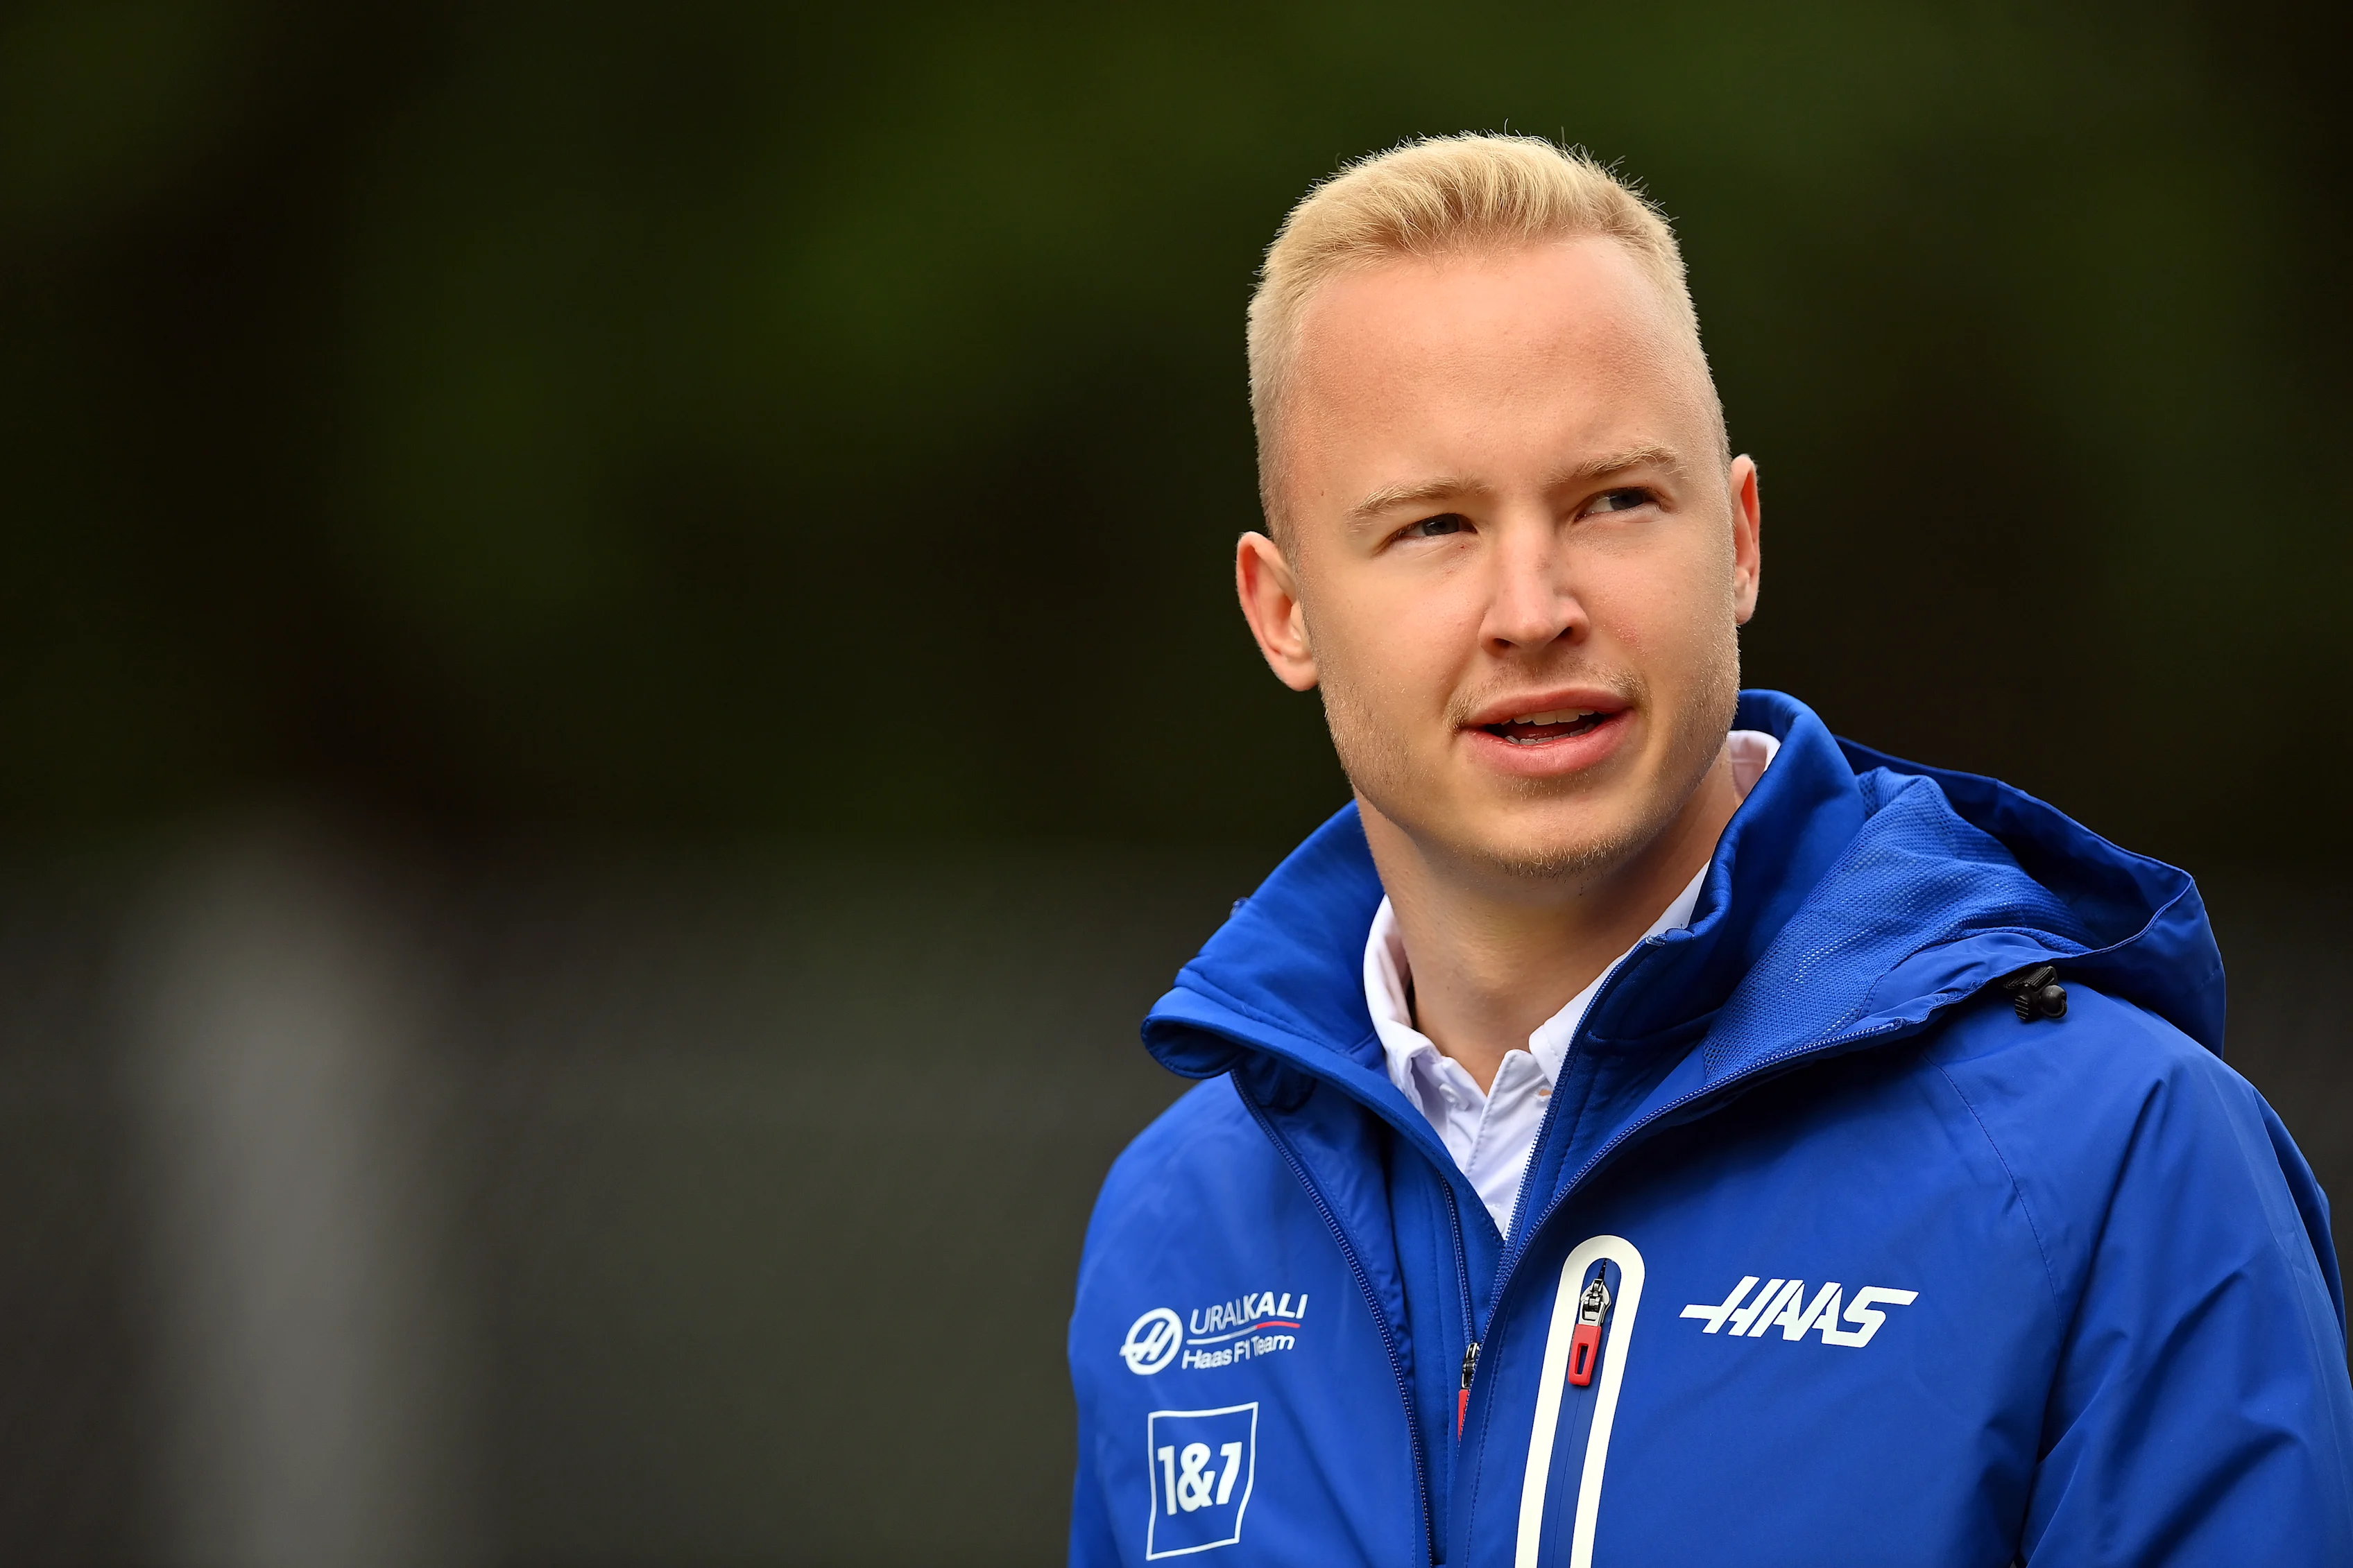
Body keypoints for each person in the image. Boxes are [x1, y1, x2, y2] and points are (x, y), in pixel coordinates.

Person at [1063, 134, 2353, 1566]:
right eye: (1433, 525)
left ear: (1736, 538)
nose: (1531, 605)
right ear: (1284, 608)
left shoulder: (2116, 1157)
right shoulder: (1181, 1227)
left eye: (1613, 499)